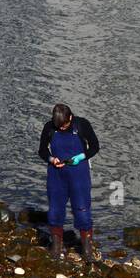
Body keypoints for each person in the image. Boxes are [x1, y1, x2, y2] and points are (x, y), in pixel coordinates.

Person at [38, 103, 100, 263]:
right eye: (60, 126)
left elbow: (95, 146)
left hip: (79, 173)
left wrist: (80, 157)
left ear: (70, 118)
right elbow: (42, 151)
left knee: (82, 209)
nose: (63, 128)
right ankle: (57, 247)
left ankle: (87, 249)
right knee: (55, 210)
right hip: (56, 174)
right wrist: (52, 159)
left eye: (65, 125)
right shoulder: (50, 128)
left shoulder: (81, 125)